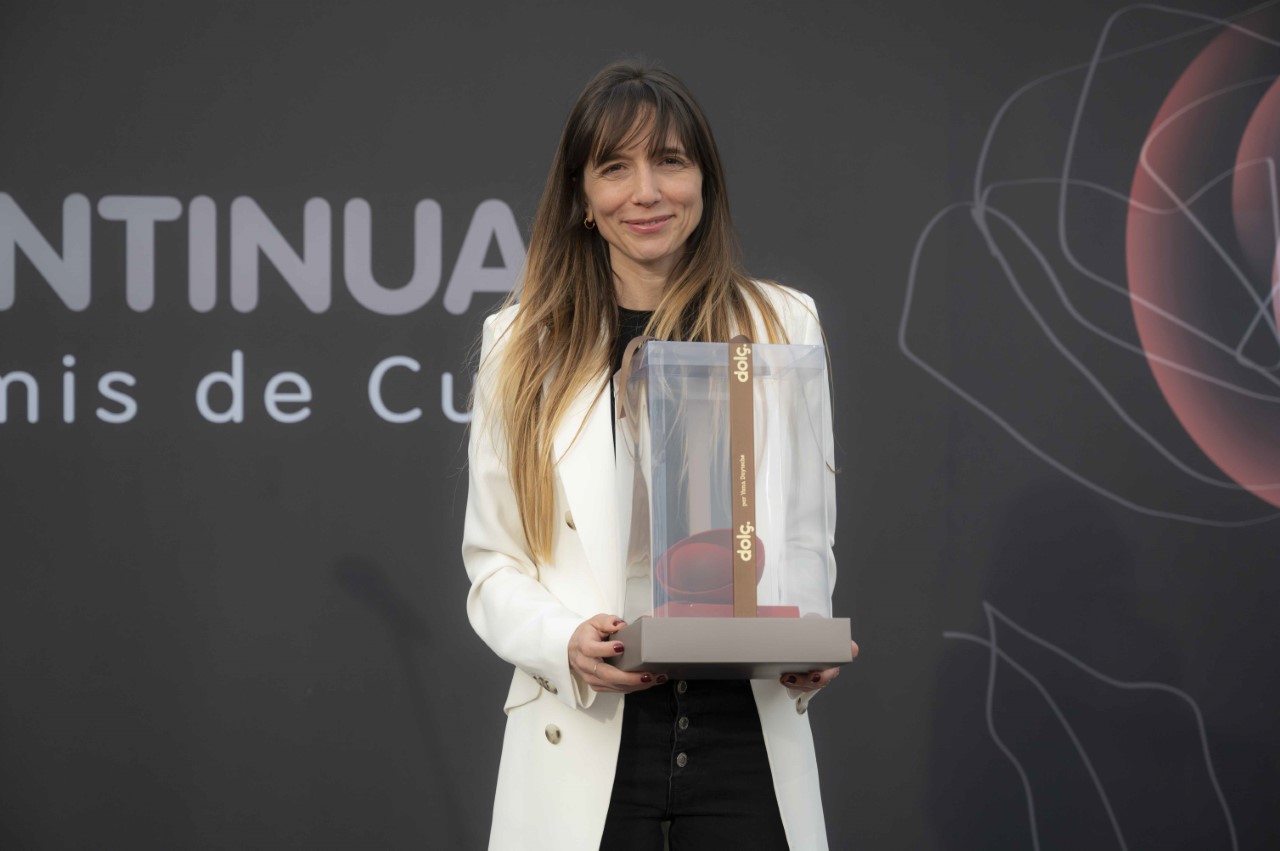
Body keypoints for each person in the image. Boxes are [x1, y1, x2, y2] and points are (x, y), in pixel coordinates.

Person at [462, 62, 855, 851]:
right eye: (615, 167)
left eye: (670, 161)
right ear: (582, 195)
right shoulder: (520, 344)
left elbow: (805, 534)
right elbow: (493, 562)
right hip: (587, 730)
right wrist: (564, 640)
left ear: (704, 181)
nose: (645, 192)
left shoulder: (782, 323)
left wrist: (806, 636)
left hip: (743, 733)